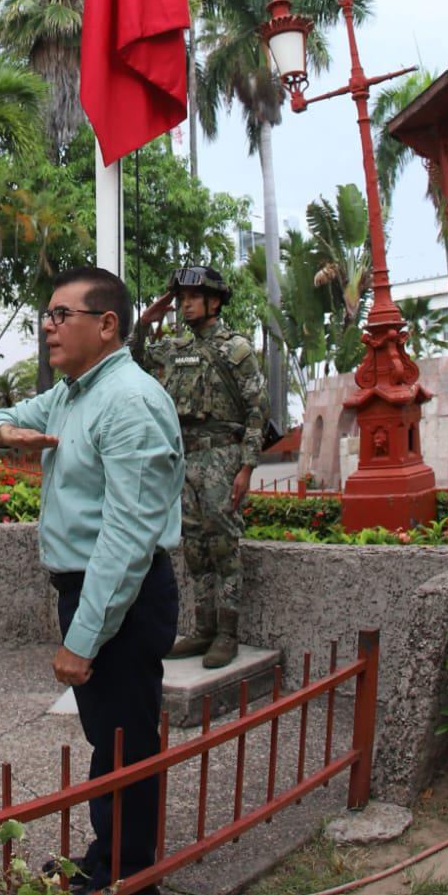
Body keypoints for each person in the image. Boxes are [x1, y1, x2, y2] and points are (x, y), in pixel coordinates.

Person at [0, 266, 183, 895]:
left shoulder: (128, 401)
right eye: (47, 314)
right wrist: (2, 433)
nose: (48, 326)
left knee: (125, 739)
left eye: (61, 314)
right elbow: (0, 417)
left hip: (121, 594)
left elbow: (127, 538)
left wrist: (82, 639)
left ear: (106, 325)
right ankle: (108, 858)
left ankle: (128, 878)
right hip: (90, 590)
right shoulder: (71, 394)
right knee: (109, 736)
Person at [134, 265, 269, 669]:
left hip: (222, 456)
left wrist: (246, 467)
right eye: (182, 299)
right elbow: (130, 358)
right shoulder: (174, 349)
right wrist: (144, 322)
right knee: (193, 548)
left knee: (223, 547)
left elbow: (257, 410)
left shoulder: (236, 350)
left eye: (193, 297)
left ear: (214, 302)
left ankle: (227, 633)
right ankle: (203, 629)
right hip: (185, 458)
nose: (185, 305)